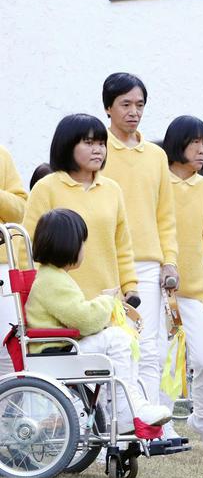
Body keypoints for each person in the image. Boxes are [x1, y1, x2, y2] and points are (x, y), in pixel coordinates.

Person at [26, 209, 172, 437]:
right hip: (58, 352)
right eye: (83, 243)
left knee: (120, 339)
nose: (85, 249)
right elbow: (86, 320)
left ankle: (131, 406)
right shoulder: (53, 281)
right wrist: (107, 300)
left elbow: (79, 315)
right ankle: (126, 410)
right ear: (69, 245)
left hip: (61, 349)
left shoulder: (51, 277)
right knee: (119, 339)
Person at [101, 72, 179, 409]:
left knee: (150, 347)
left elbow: (166, 216)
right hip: (105, 262)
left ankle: (146, 420)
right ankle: (113, 421)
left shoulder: (156, 156)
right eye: (126, 104)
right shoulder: (97, 150)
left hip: (148, 263)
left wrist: (170, 261)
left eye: (140, 105)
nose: (134, 112)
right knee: (112, 345)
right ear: (108, 108)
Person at [163, 115, 203, 453]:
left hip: (195, 288)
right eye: (194, 142)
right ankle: (160, 424)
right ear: (177, 144)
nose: (201, 150)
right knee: (158, 359)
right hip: (158, 287)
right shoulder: (158, 182)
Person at [23, 114, 138, 303]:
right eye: (89, 143)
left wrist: (130, 287)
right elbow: (26, 248)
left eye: (101, 144)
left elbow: (122, 245)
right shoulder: (46, 188)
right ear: (67, 146)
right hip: (60, 301)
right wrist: (38, 293)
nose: (98, 150)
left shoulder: (112, 189)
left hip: (107, 299)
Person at [0, 145, 28, 377]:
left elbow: (20, 209)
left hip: (2, 265)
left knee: (7, 353)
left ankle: (9, 413)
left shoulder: (2, 155)